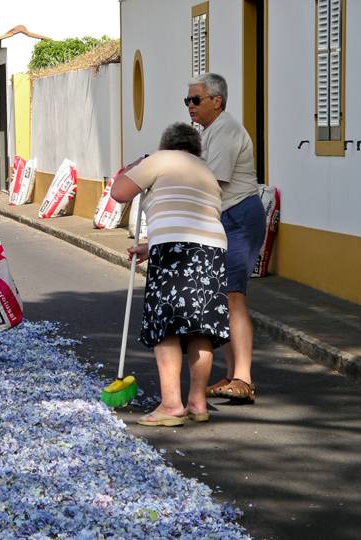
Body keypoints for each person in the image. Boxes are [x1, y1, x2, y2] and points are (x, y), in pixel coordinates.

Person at [111, 122, 229, 426]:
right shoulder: (205, 171)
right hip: (211, 251)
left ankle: (171, 405)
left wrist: (136, 166)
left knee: (166, 325)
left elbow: (120, 193)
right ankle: (197, 402)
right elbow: (189, 215)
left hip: (174, 251)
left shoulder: (160, 160)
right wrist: (151, 246)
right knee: (200, 327)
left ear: (167, 144)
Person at [186, 72, 266, 403]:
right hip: (226, 219)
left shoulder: (226, 131)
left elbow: (211, 185)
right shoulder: (211, 132)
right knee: (224, 298)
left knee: (234, 297)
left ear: (217, 101)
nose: (190, 106)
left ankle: (244, 378)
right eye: (187, 100)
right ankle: (233, 375)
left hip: (238, 218)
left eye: (196, 100)